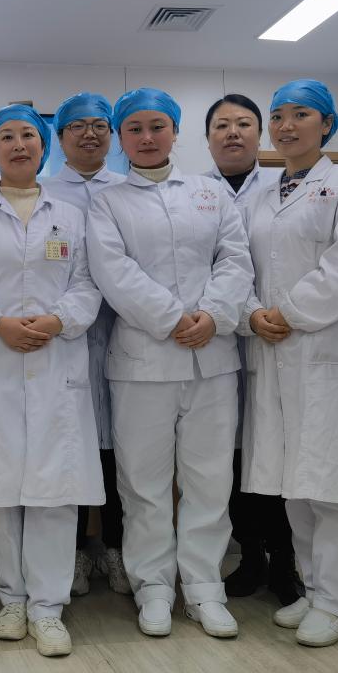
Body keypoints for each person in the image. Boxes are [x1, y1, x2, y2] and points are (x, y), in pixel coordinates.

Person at [0, 104, 104, 658]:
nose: (18, 144)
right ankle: (11, 597)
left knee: (55, 487)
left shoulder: (72, 215)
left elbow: (88, 282)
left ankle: (48, 607)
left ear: (43, 146)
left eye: (28, 135)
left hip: (56, 361)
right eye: (5, 136)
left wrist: (58, 320)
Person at [87, 87, 253, 640]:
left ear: (175, 131)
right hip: (143, 363)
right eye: (134, 128)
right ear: (121, 137)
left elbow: (235, 258)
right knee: (144, 485)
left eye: (157, 126)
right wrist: (173, 318)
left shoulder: (211, 193)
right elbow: (113, 270)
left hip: (212, 359)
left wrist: (214, 314)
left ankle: (205, 588)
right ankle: (153, 587)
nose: (147, 137)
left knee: (210, 481)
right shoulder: (108, 201)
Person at [238, 79, 338, 647]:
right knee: (295, 484)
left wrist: (289, 312)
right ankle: (315, 590)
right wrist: (253, 313)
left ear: (326, 124)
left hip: (326, 353)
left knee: (334, 486)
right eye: (278, 115)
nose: (286, 125)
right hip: (273, 351)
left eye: (301, 114)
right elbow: (238, 266)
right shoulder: (260, 194)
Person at [203, 95, 302, 607]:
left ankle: (285, 561)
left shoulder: (283, 188)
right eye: (221, 125)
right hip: (220, 342)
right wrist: (244, 315)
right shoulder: (195, 193)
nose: (233, 133)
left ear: (259, 135)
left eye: (244, 124)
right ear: (207, 138)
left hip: (278, 337)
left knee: (277, 454)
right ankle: (249, 558)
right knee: (235, 460)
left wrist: (264, 315)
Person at [42, 93, 129, 597]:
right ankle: (72, 553)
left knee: (120, 455)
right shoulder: (44, 192)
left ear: (112, 135)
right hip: (64, 341)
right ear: (60, 137)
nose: (90, 134)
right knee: (69, 449)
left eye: (100, 125)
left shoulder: (129, 189)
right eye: (77, 126)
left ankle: (117, 549)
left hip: (127, 335)